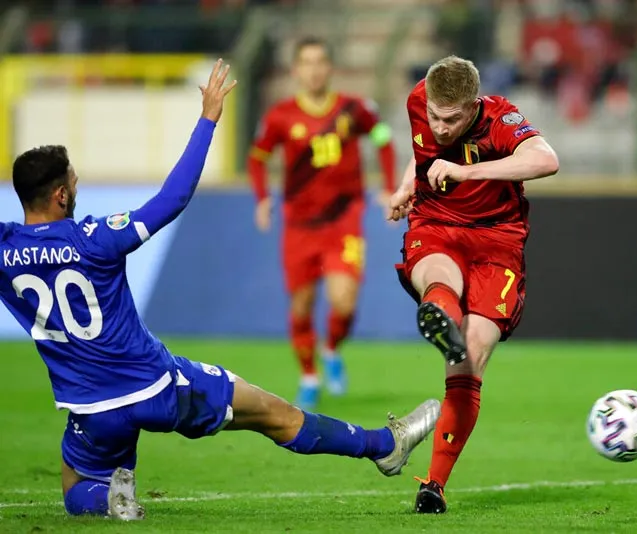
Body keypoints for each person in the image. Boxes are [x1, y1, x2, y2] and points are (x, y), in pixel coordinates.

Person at [0, 60, 439, 521]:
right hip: (158, 387)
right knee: (275, 414)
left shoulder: (6, 251)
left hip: (90, 406)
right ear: (62, 197)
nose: (77, 186)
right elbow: (171, 200)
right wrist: (208, 119)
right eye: (73, 181)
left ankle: (107, 501)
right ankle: (383, 446)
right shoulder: (96, 238)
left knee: (76, 486)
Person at [388, 55, 559, 514]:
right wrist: (409, 184)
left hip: (497, 238)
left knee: (472, 355)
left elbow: (546, 159)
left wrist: (468, 171)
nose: (440, 127)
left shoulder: (501, 117)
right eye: (434, 116)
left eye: (452, 119)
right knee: (438, 276)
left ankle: (434, 485)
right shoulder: (418, 102)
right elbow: (424, 149)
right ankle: (443, 316)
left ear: (473, 106)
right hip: (437, 221)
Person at [248, 37, 397, 410]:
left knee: (343, 302)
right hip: (299, 226)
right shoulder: (280, 117)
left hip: (344, 220)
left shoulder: (353, 109)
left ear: (330, 68)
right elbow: (257, 159)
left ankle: (331, 349)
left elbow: (383, 137)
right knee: (301, 305)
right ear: (296, 70)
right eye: (306, 62)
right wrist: (263, 198)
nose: (314, 69)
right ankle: (309, 376)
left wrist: (390, 185)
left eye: (320, 62)